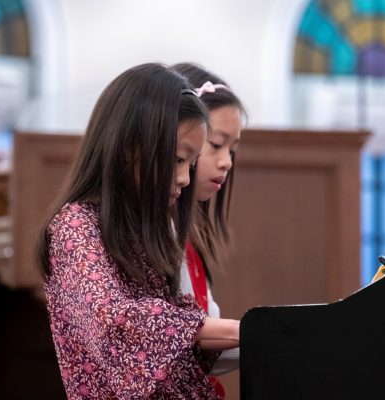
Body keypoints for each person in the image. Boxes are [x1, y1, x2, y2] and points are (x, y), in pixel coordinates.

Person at [37, 63, 239, 399]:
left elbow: (182, 341)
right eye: (177, 160)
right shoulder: (75, 227)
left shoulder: (143, 229)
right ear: (131, 146)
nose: (185, 179)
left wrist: (260, 334)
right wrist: (232, 330)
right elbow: (115, 322)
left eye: (190, 165)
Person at [171, 63, 246, 396]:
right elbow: (173, 340)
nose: (227, 161)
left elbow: (203, 348)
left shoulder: (189, 237)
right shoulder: (154, 233)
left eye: (232, 150)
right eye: (215, 144)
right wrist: (264, 333)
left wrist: (274, 338)